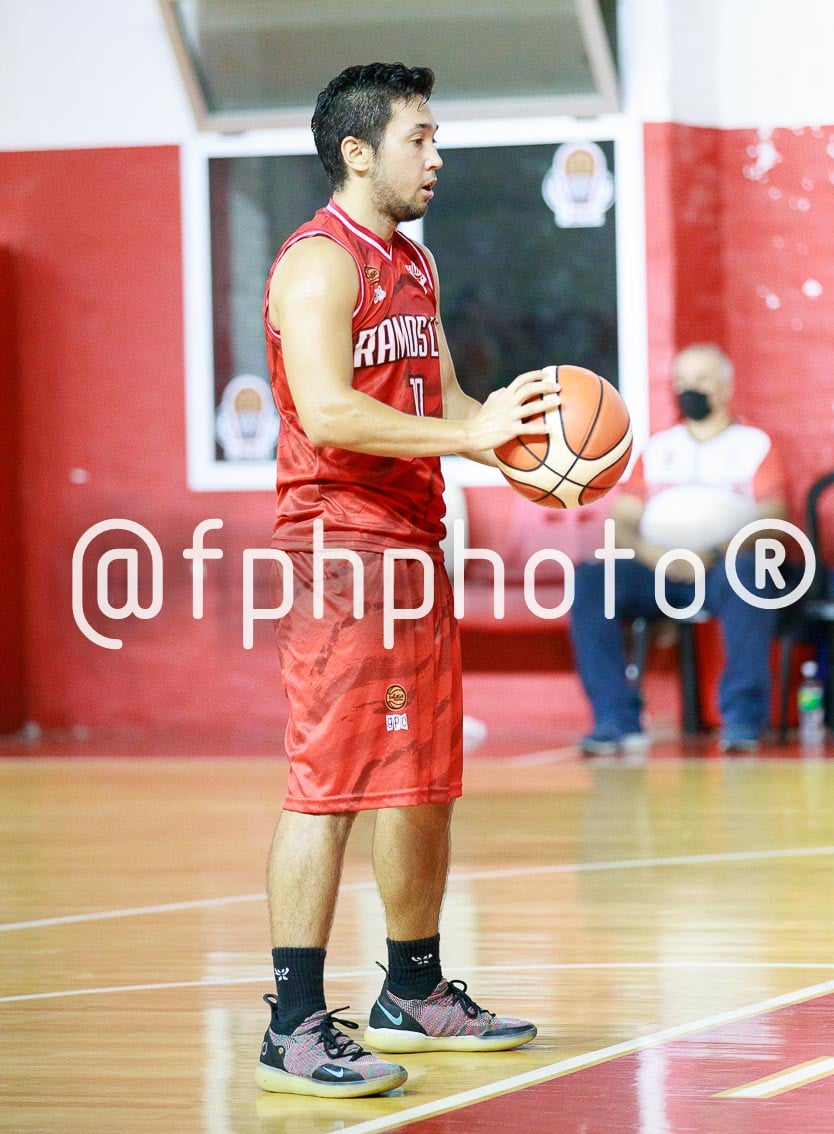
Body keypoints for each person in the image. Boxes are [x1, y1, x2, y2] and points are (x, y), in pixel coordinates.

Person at [255, 63, 556, 1099]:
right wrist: (466, 437)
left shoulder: (413, 262)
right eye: (418, 138)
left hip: (413, 547)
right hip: (340, 549)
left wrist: (519, 442)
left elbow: (446, 399)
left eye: (435, 138)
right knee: (329, 785)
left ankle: (413, 991)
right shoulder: (319, 264)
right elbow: (330, 411)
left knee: (424, 781)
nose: (436, 156)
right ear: (357, 152)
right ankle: (292, 1027)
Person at [569, 343, 788, 757]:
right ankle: (615, 720)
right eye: (681, 381)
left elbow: (773, 521)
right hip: (657, 566)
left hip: (723, 566)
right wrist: (655, 554)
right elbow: (621, 522)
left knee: (751, 574)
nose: (689, 389)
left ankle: (743, 720)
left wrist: (715, 552)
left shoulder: (754, 445)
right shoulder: (658, 449)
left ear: (725, 387)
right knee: (593, 581)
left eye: (700, 380)